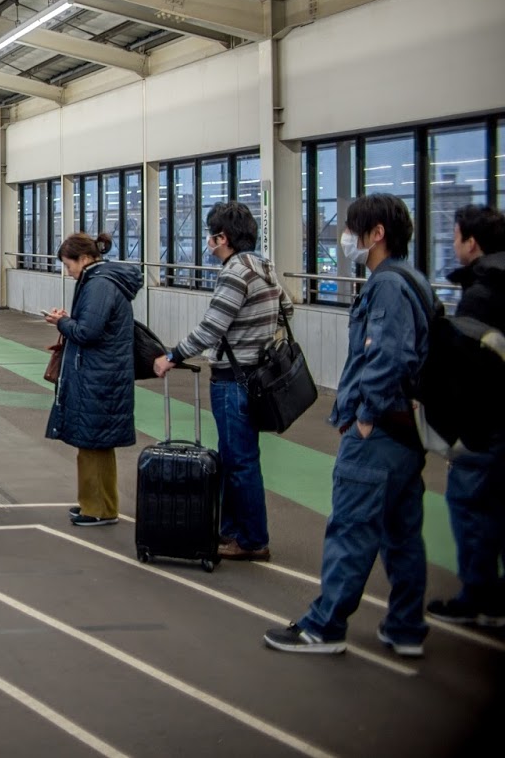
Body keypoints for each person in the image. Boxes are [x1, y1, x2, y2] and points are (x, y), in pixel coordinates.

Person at [265, 194, 429, 657]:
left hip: (377, 433)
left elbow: (386, 356)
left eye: (354, 229)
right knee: (401, 534)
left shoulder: (386, 287)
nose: (346, 239)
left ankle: (324, 626)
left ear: (377, 234)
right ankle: (405, 627)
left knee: (353, 527)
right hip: (405, 433)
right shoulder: (414, 280)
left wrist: (364, 416)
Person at [152, 202, 292, 562]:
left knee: (240, 461)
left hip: (234, 380)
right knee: (236, 458)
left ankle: (252, 539)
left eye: (211, 236)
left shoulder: (234, 273)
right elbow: (287, 309)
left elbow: (212, 328)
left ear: (222, 238)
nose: (208, 243)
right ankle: (229, 531)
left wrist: (172, 356)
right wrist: (259, 334)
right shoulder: (263, 267)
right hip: (257, 376)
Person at [428, 205, 505, 626]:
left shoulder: (481, 296)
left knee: (471, 503)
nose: (454, 242)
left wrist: (457, 430)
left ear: (471, 243)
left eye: (455, 235)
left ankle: (479, 596)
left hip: (487, 424)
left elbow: (469, 369)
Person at [44, 233, 142, 527]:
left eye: (68, 264)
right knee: (94, 443)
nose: (68, 271)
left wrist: (61, 322)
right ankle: (95, 502)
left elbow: (89, 331)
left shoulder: (98, 284)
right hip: (103, 372)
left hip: (99, 375)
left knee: (93, 443)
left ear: (84, 259)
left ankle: (98, 508)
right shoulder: (102, 281)